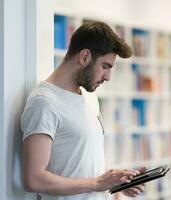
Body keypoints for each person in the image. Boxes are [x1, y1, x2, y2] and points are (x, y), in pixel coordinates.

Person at [21, 21, 146, 200]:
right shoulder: (44, 102)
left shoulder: (89, 97)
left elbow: (80, 164)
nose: (108, 77)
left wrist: (114, 181)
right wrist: (97, 184)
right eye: (105, 66)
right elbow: (33, 179)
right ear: (85, 57)